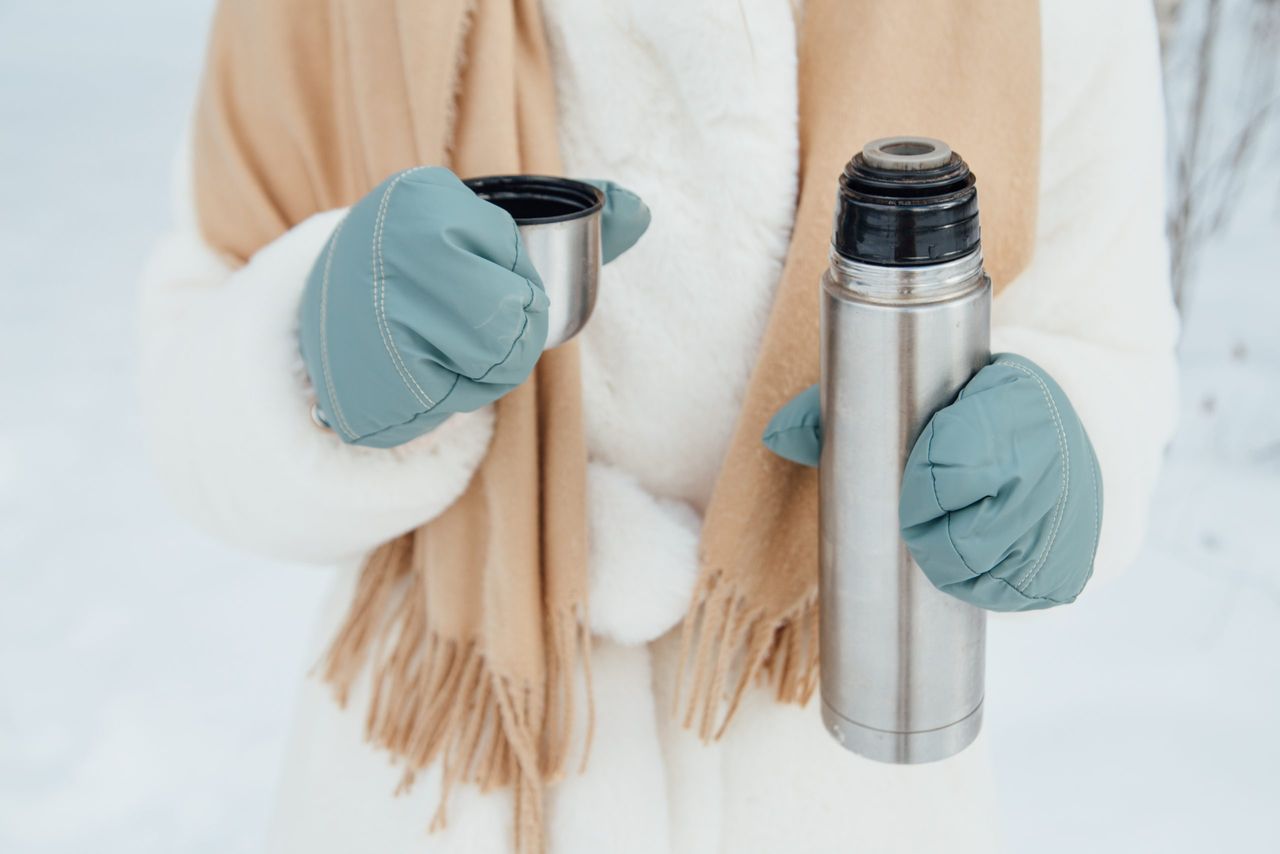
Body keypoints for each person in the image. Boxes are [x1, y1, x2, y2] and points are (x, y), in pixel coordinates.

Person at [140, 0, 1178, 851]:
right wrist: (314, 352)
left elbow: (1098, 339)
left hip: (849, 760)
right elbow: (192, 366)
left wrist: (1053, 464)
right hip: (445, 769)